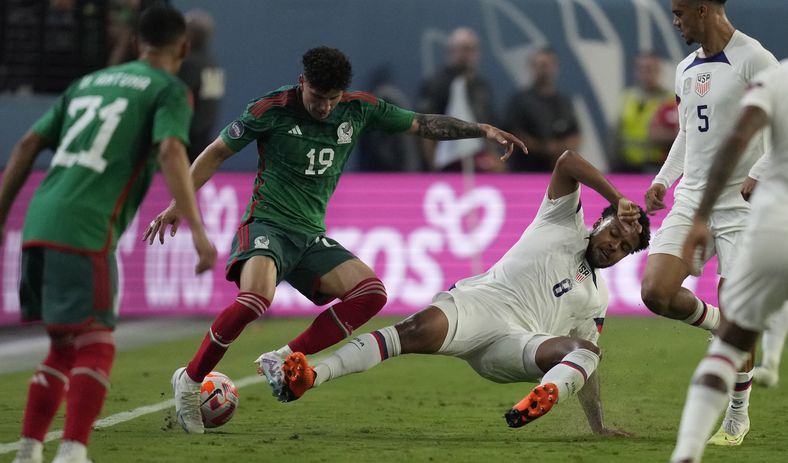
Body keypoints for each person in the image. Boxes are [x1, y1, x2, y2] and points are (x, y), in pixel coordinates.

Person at [144, 46, 527, 434]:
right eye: (317, 97)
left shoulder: (359, 108)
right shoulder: (270, 110)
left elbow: (423, 124)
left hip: (310, 237)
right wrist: (180, 202)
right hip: (266, 225)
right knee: (256, 299)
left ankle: (286, 355)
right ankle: (190, 382)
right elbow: (216, 153)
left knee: (371, 293)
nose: (325, 107)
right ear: (302, 83)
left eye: (332, 99)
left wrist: (480, 129)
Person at [271, 150, 650, 435]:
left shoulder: (596, 300)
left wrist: (597, 425)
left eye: (623, 248)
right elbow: (567, 161)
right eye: (614, 232)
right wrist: (618, 197)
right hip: (479, 305)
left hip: (519, 344)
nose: (613, 246)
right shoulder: (564, 218)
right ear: (601, 221)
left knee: (587, 351)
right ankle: (312, 376)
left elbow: (586, 365)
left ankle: (542, 396)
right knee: (412, 330)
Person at [0, 5, 216, 463]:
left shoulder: (89, 83)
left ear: (139, 42)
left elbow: (27, 145)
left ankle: (27, 459)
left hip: (38, 221)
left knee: (62, 345)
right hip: (86, 228)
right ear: (182, 47)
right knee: (96, 342)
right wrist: (198, 230)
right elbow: (170, 151)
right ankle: (73, 455)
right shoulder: (168, 90)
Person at [642, 57, 788, 463]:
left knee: (738, 326)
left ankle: (736, 417)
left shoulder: (757, 60)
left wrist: (758, 174)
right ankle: (724, 327)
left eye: (682, 11)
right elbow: (689, 131)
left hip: (745, 205)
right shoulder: (686, 67)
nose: (676, 20)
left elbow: (766, 134)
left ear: (705, 9)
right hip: (694, 198)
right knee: (656, 291)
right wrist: (664, 180)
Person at [416, 27, 503, 172]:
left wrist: (496, 159)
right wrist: (433, 168)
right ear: (450, 51)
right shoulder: (436, 85)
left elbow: (489, 126)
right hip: (446, 163)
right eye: (462, 49)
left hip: (480, 163)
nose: (466, 55)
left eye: (471, 50)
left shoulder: (481, 86)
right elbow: (425, 129)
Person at [504, 47, 581, 173]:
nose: (544, 70)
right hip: (526, 170)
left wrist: (559, 149)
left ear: (556, 67)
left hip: (557, 171)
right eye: (539, 65)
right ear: (532, 68)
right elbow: (512, 133)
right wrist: (543, 149)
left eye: (547, 65)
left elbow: (575, 133)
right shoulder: (520, 101)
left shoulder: (564, 102)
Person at [610, 51, 676, 173]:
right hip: (625, 165)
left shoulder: (670, 100)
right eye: (641, 69)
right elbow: (616, 133)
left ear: (658, 71)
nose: (646, 74)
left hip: (655, 165)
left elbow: (679, 135)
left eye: (650, 69)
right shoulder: (627, 97)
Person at [177, 9, 225, 162]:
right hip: (205, 130)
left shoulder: (189, 63)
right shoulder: (212, 63)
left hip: (188, 133)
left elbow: (180, 96)